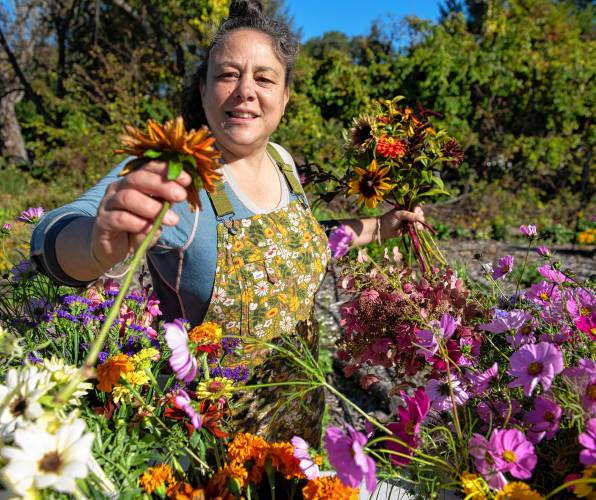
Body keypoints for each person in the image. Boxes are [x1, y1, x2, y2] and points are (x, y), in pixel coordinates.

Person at [31, 0, 424, 444]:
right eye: (227, 75)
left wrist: (380, 227)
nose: (245, 91)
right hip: (212, 447)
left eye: (264, 78)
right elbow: (50, 238)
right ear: (203, 90)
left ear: (286, 95)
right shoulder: (177, 174)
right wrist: (97, 246)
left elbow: (309, 238)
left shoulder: (283, 162)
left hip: (301, 425)